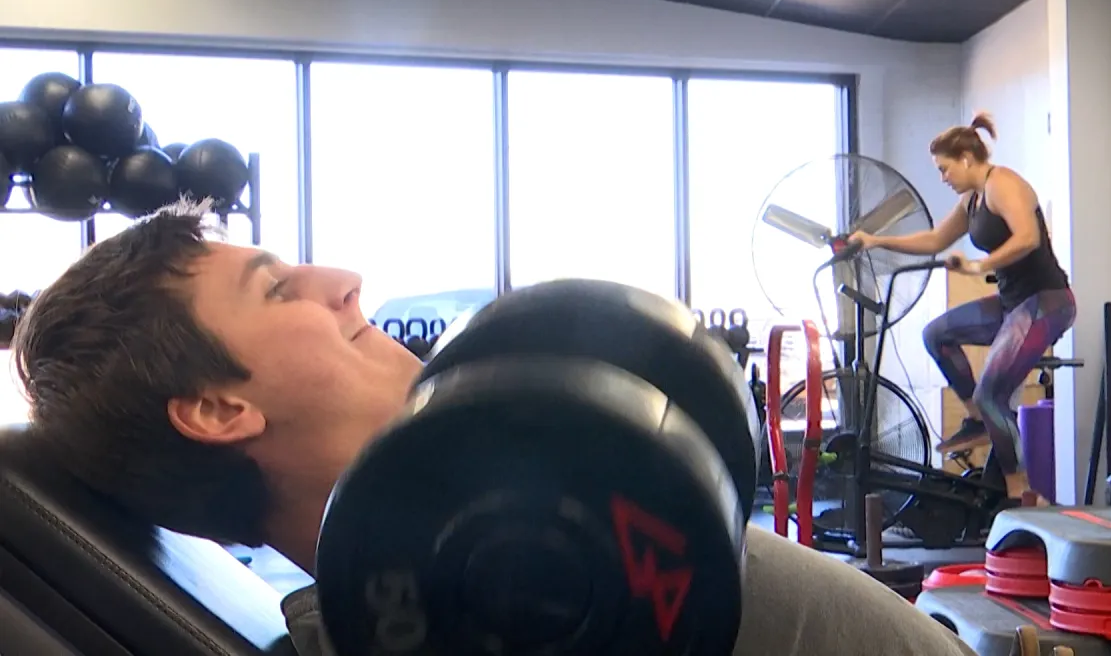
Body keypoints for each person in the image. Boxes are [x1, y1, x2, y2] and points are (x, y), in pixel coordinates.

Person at [11, 198, 974, 656]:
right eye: (276, 288)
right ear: (218, 410)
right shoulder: (468, 620)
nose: (341, 280)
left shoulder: (546, 495)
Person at [850, 113, 1075, 503]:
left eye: (944, 168)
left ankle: (1021, 493)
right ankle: (977, 417)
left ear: (966, 159)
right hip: (1013, 304)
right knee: (936, 335)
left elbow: (1028, 238)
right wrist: (875, 241)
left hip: (1047, 302)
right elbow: (936, 239)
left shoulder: (1003, 184)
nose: (943, 178)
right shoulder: (971, 200)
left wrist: (978, 266)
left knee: (993, 395)